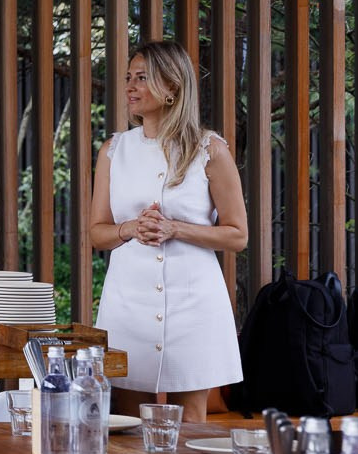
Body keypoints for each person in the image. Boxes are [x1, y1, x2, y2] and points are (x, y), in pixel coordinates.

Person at [90, 40, 247, 421]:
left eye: (142, 78)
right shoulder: (114, 150)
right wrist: (130, 228)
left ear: (173, 87)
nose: (130, 86)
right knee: (125, 426)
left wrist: (175, 228)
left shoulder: (209, 149)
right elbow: (97, 233)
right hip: (127, 303)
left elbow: (237, 235)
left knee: (190, 427)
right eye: (129, 77)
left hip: (193, 303)